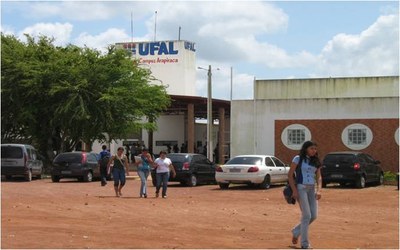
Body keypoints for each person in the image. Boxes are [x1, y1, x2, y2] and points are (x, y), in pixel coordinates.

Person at [287, 141, 322, 249]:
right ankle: (305, 244)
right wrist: (294, 190)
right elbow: (290, 175)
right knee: (307, 215)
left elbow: (319, 177)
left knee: (314, 216)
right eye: (311, 148)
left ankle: (296, 231)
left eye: (315, 149)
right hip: (301, 188)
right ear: (306, 148)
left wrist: (319, 190)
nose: (314, 151)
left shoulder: (316, 161)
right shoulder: (297, 159)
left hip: (312, 189)